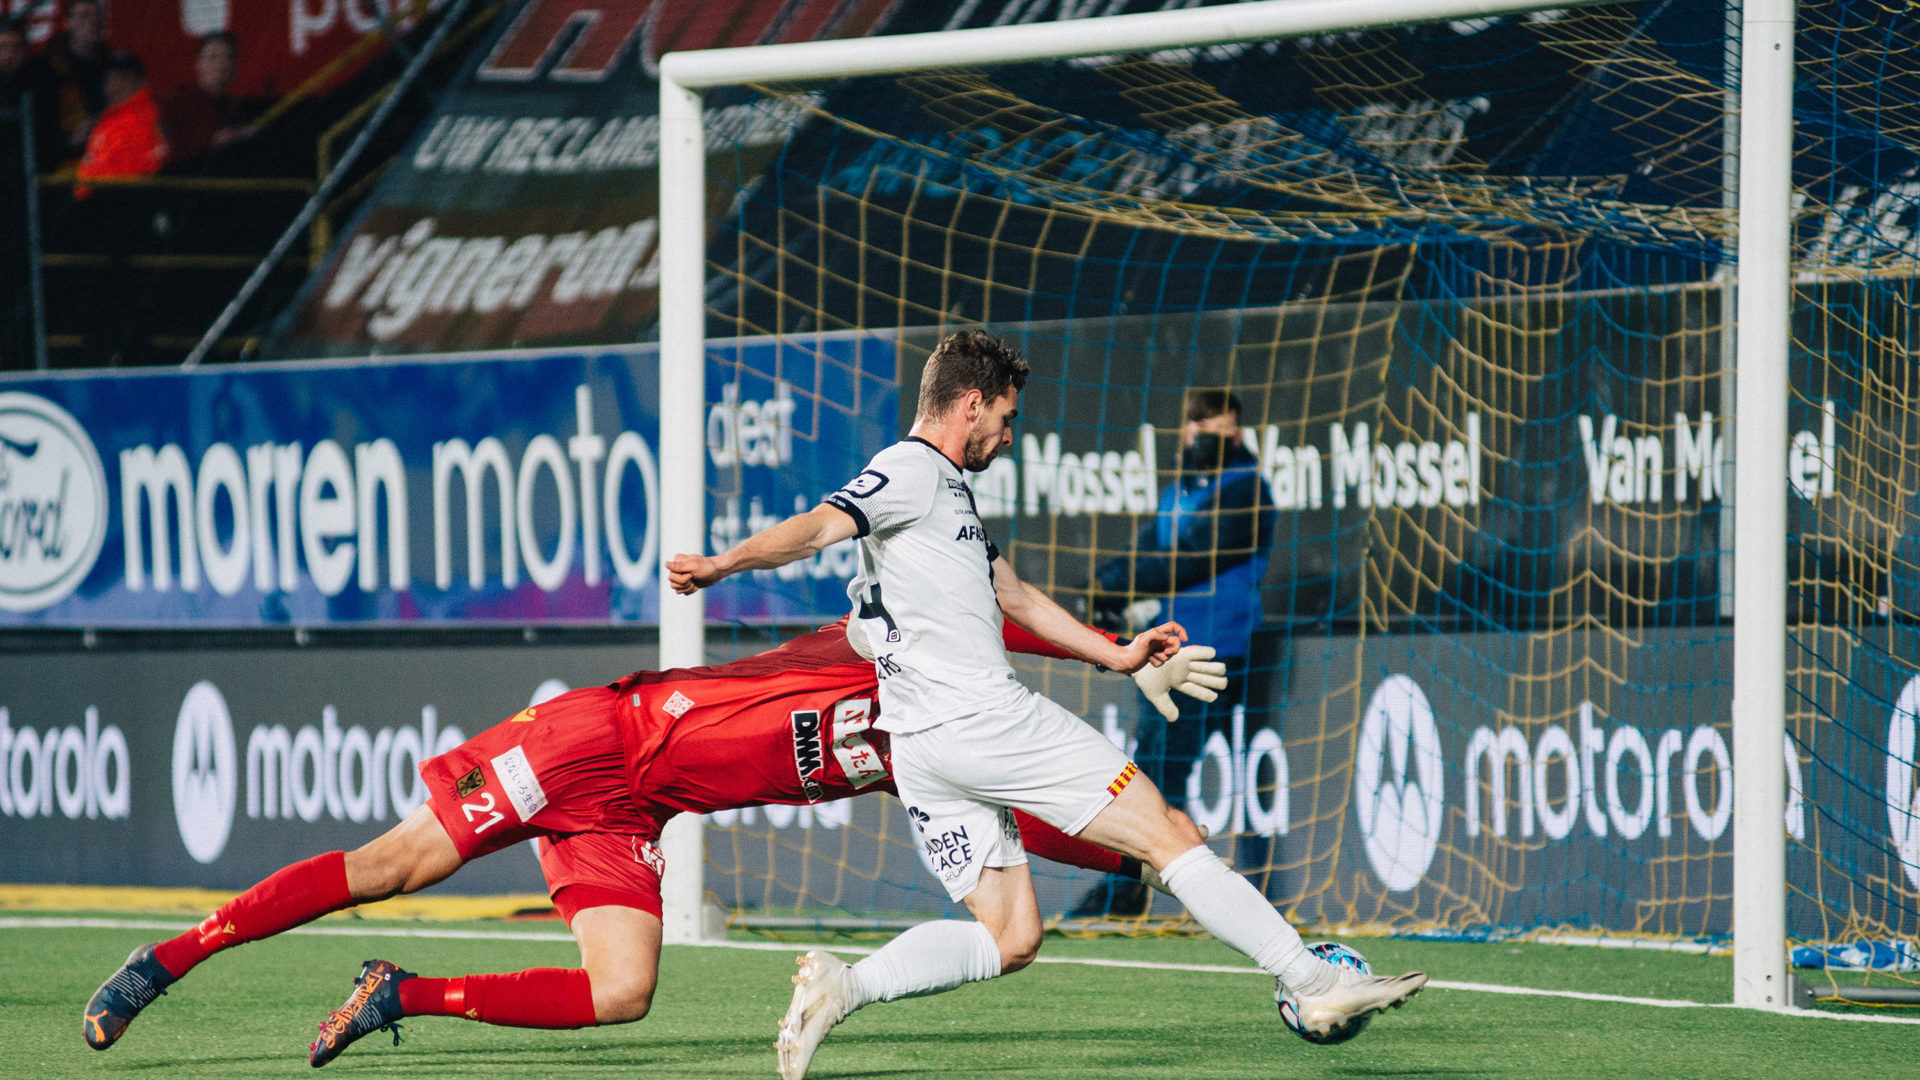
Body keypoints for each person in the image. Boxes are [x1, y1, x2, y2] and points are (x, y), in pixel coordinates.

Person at [667, 330, 1425, 1080]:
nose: (1008, 434)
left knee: (1010, 934)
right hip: (982, 721)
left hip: (926, 751)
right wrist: (722, 564)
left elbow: (1016, 596)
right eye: (1006, 416)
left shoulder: (946, 492)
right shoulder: (909, 470)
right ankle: (1312, 979)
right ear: (971, 403)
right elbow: (818, 528)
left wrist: (1117, 655)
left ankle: (846, 986)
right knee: (1168, 834)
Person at [79, 615, 1225, 1066]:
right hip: (590, 741)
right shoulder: (865, 648)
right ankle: (162, 964)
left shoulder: (923, 749)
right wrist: (1113, 649)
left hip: (635, 813)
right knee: (385, 866)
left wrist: (1140, 855)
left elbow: (1028, 814)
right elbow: (990, 609)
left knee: (623, 991)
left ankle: (403, 996)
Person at [1075, 387, 1277, 916]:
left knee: (1158, 772)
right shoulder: (1183, 490)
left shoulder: (1247, 490)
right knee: (1154, 770)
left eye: (1224, 429)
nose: (1212, 437)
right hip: (1168, 653)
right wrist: (1104, 586)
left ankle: (1129, 893)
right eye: (1202, 426)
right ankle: (1134, 890)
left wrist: (1112, 587)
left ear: (1238, 433)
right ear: (1187, 430)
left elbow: (1189, 560)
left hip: (1216, 654)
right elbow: (1149, 548)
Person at [160, 31, 257, 167]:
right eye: (213, 57)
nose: (222, 64)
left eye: (228, 57)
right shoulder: (180, 101)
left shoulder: (234, 108)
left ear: (235, 67)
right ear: (198, 65)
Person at [75, 50, 166, 191]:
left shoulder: (142, 117)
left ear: (140, 82)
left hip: (115, 201)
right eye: (110, 78)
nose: (114, 84)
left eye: (122, 78)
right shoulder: (110, 117)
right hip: (94, 198)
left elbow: (135, 177)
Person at [30, 0, 107, 161]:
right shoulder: (49, 70)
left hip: (106, 159)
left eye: (97, 16)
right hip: (61, 165)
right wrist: (69, 140)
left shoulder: (113, 67)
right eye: (84, 16)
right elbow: (39, 126)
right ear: (68, 23)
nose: (91, 22)